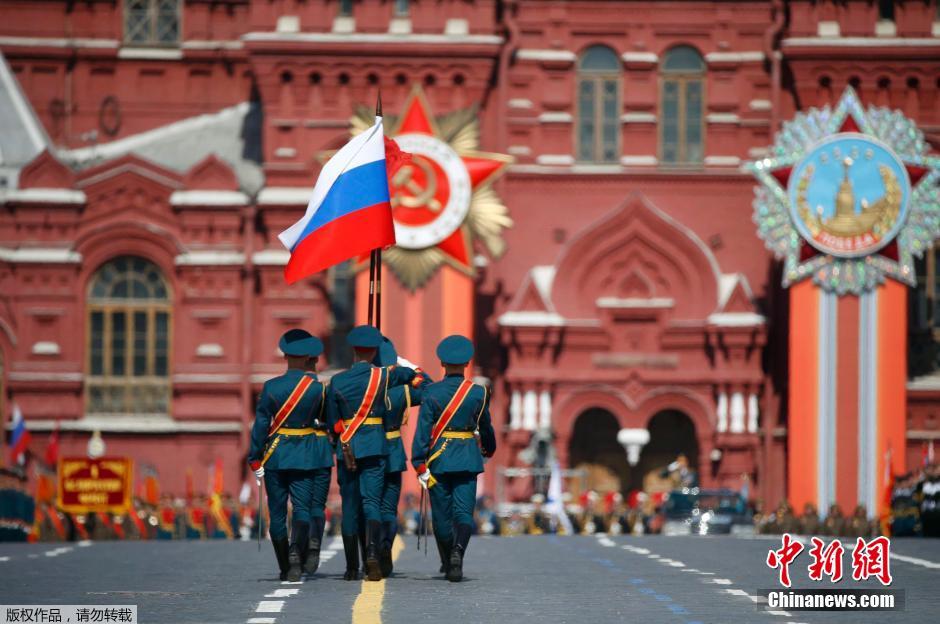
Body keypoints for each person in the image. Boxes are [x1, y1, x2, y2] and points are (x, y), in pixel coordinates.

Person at [327, 324, 418, 581]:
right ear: (375, 351)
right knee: (372, 503)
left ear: (353, 350)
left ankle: (351, 567)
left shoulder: (337, 381)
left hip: (347, 449)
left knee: (350, 506)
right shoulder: (384, 377)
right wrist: (399, 363)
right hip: (376, 448)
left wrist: (343, 432)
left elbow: (332, 423)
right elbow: (414, 378)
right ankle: (372, 556)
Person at [412, 335, 496, 582]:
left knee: (441, 517)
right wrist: (488, 449)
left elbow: (423, 431)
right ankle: (458, 552)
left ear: (442, 363)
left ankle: (449, 558)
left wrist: (418, 462)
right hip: (468, 458)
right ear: (467, 363)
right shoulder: (478, 393)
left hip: (439, 460)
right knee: (464, 513)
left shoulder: (431, 392)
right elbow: (486, 427)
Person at [248, 329, 327, 582]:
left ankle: (285, 565)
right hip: (304, 455)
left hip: (276, 456)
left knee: (277, 514)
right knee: (303, 509)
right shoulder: (317, 389)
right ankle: (296, 553)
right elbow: (325, 421)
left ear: (285, 356)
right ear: (307, 358)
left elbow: (261, 425)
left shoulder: (271, 387)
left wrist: (254, 457)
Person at [375, 336, 431, 577]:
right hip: (392, 452)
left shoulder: (356, 386)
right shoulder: (402, 392)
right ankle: (385, 546)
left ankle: (368, 553)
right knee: (388, 507)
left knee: (366, 505)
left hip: (363, 452)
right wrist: (408, 365)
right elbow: (430, 388)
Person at [301, 341, 334, 575]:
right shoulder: (325, 389)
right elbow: (333, 421)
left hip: (297, 449)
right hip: (321, 448)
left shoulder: (281, 387)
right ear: (316, 362)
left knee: (300, 503)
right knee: (317, 505)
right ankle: (314, 544)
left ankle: (299, 548)